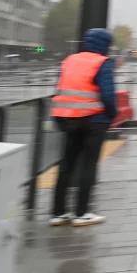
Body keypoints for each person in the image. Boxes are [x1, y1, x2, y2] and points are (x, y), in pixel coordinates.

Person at [50, 28, 118, 226]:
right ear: (105, 45)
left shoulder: (69, 60)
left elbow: (61, 88)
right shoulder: (102, 63)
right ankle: (81, 213)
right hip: (94, 121)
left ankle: (58, 213)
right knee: (89, 166)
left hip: (68, 120)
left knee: (67, 165)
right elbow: (107, 94)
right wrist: (112, 114)